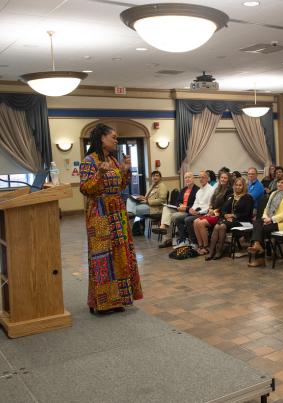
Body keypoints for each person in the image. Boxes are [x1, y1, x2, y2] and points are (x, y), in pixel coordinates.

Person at [79, 123, 143, 314]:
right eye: (113, 137)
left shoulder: (114, 161)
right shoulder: (89, 161)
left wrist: (125, 170)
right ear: (102, 138)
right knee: (102, 257)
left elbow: (121, 186)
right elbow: (85, 189)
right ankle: (102, 302)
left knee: (120, 254)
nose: (116, 140)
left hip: (117, 213)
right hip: (99, 214)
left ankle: (118, 300)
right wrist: (99, 173)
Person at [247, 174, 283, 268]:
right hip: (270, 221)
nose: (279, 184)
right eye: (278, 182)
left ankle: (259, 257)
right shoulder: (274, 193)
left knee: (261, 229)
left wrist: (271, 219)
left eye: (282, 182)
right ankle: (258, 245)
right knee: (257, 222)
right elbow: (266, 208)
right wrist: (265, 218)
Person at [207, 177, 254, 260]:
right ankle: (211, 251)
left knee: (222, 226)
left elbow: (248, 214)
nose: (238, 187)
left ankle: (219, 251)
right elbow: (223, 209)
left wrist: (234, 216)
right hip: (229, 220)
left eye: (240, 185)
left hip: (242, 221)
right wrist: (225, 215)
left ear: (244, 187)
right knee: (218, 226)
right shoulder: (230, 196)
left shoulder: (248, 198)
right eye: (236, 185)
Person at [155, 171, 199, 248]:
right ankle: (163, 227)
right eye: (185, 178)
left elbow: (196, 204)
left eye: (189, 177)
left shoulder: (197, 190)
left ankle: (167, 239)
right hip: (179, 209)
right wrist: (179, 205)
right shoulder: (183, 189)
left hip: (188, 211)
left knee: (169, 217)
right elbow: (177, 201)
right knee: (166, 208)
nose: (187, 179)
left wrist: (185, 208)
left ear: (193, 179)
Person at [193, 172, 233, 256]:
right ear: (219, 178)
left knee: (200, 223)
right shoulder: (218, 188)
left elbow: (226, 207)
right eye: (221, 177)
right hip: (213, 213)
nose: (223, 179)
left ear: (228, 179)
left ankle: (206, 247)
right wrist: (210, 208)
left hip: (221, 215)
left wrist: (214, 212)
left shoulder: (229, 190)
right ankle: (200, 246)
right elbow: (211, 202)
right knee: (195, 221)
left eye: (225, 178)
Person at [175, 171, 215, 246]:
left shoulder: (211, 190)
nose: (201, 179)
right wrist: (191, 209)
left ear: (207, 179)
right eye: (200, 177)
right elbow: (196, 203)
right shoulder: (199, 191)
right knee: (178, 219)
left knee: (188, 220)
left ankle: (194, 242)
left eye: (203, 177)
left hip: (204, 213)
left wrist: (198, 212)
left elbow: (209, 206)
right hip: (196, 212)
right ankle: (184, 240)